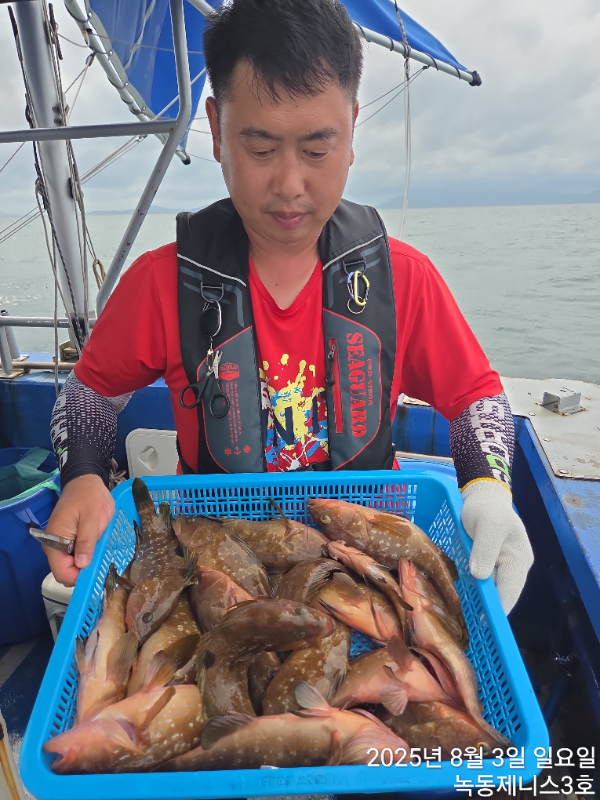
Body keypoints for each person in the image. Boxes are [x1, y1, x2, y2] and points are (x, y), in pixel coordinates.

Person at [46, 0, 533, 614]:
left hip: (368, 576)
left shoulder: (403, 278)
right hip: (220, 581)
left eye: (316, 149)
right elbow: (88, 396)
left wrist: (488, 487)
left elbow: (477, 399)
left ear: (351, 129)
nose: (290, 185)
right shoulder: (160, 284)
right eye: (261, 148)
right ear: (216, 129)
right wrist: (83, 475)